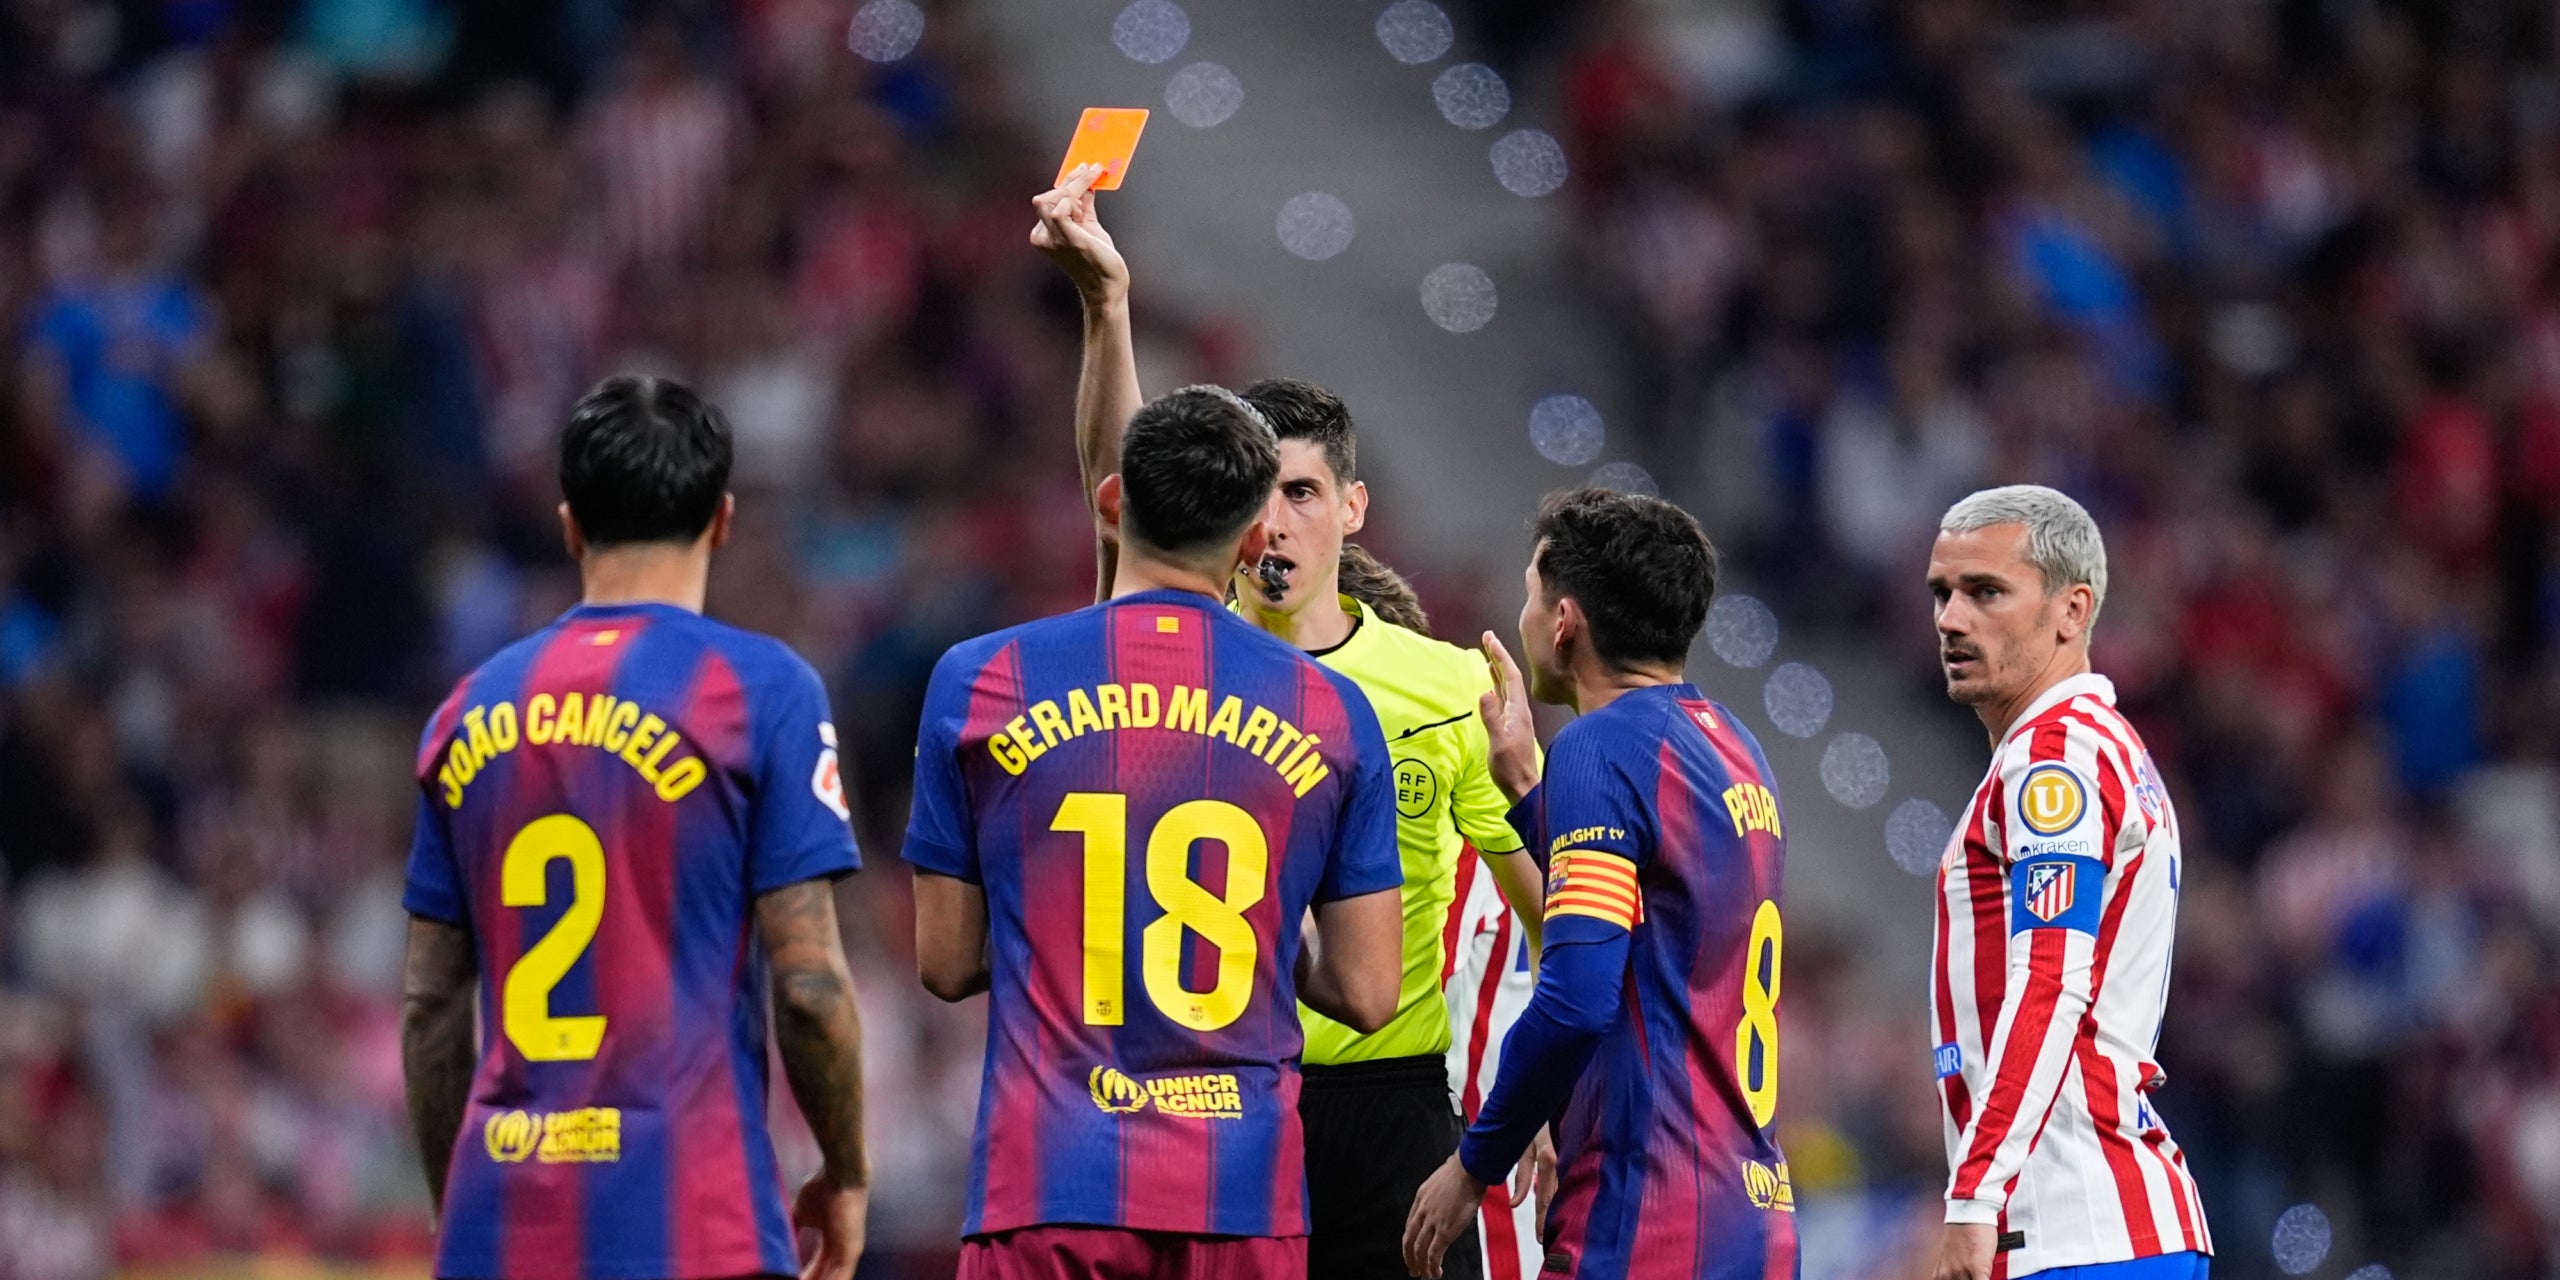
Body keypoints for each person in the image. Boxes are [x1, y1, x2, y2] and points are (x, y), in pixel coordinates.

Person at [1032, 163, 1548, 1280]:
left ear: (1352, 507)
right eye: (1254, 490)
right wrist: (1103, 305)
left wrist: (1544, 1098)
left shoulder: (1443, 680)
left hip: (1395, 1108)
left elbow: (1547, 916)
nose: (1274, 520)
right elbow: (1109, 485)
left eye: (1302, 492)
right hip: (1214, 1090)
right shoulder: (1176, 658)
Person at [902, 385, 1407, 1279]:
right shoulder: (1333, 712)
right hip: (1240, 1195)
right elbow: (1367, 992)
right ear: (1255, 539)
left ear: (1111, 505)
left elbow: (945, 963)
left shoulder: (982, 679)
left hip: (1049, 1186)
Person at [399, 375, 871, 1280]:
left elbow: (429, 1004)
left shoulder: (465, 710)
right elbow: (808, 983)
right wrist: (844, 1173)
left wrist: (454, 1207)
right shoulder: (761, 692)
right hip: (695, 1215)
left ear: (570, 523)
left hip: (505, 1219)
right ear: (723, 521)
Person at [1404, 488, 1798, 1280]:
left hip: (1646, 1213)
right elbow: (1659, 931)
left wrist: (1473, 1165)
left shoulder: (1597, 748)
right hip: (1753, 1212)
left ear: (1564, 622)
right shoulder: (1735, 748)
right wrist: (1526, 794)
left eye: (1528, 594)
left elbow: (1577, 999)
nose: (1521, 616)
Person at [1921, 486, 2213, 1280]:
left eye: (1986, 592)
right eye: (1942, 593)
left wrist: (1976, 1197)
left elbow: (2051, 977)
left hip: (2079, 1232)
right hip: (2107, 1227)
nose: (1951, 618)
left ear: (2072, 610)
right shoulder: (2091, 747)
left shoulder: (2056, 760)